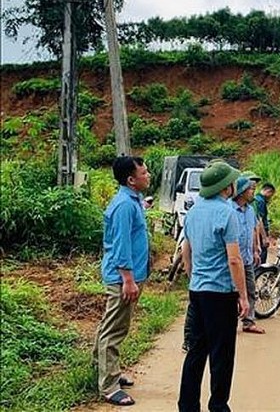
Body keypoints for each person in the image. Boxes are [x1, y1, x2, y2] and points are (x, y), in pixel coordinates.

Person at [178, 161, 249, 412]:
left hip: (197, 290)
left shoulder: (194, 212)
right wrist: (243, 295)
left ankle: (187, 406)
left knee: (196, 351)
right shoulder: (227, 213)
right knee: (222, 354)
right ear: (226, 186)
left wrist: (192, 277)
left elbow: (186, 250)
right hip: (220, 294)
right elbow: (234, 258)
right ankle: (218, 406)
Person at [93, 156, 151, 407]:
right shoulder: (124, 206)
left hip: (128, 275)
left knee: (112, 323)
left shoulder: (132, 201)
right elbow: (120, 245)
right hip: (122, 278)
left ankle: (104, 369)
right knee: (115, 329)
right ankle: (108, 385)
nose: (148, 175)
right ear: (131, 179)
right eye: (144, 172)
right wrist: (128, 279)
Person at [232, 177, 264, 334]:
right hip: (233, 259)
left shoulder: (250, 210)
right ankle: (229, 322)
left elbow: (252, 230)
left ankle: (248, 321)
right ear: (242, 192)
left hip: (247, 258)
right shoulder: (230, 209)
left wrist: (256, 249)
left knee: (251, 289)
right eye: (251, 189)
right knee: (232, 292)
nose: (254, 192)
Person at [253, 182, 276, 264]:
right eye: (271, 194)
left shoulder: (255, 199)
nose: (270, 197)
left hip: (255, 230)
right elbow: (259, 220)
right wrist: (264, 237)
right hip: (261, 231)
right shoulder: (261, 201)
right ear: (268, 191)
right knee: (262, 252)